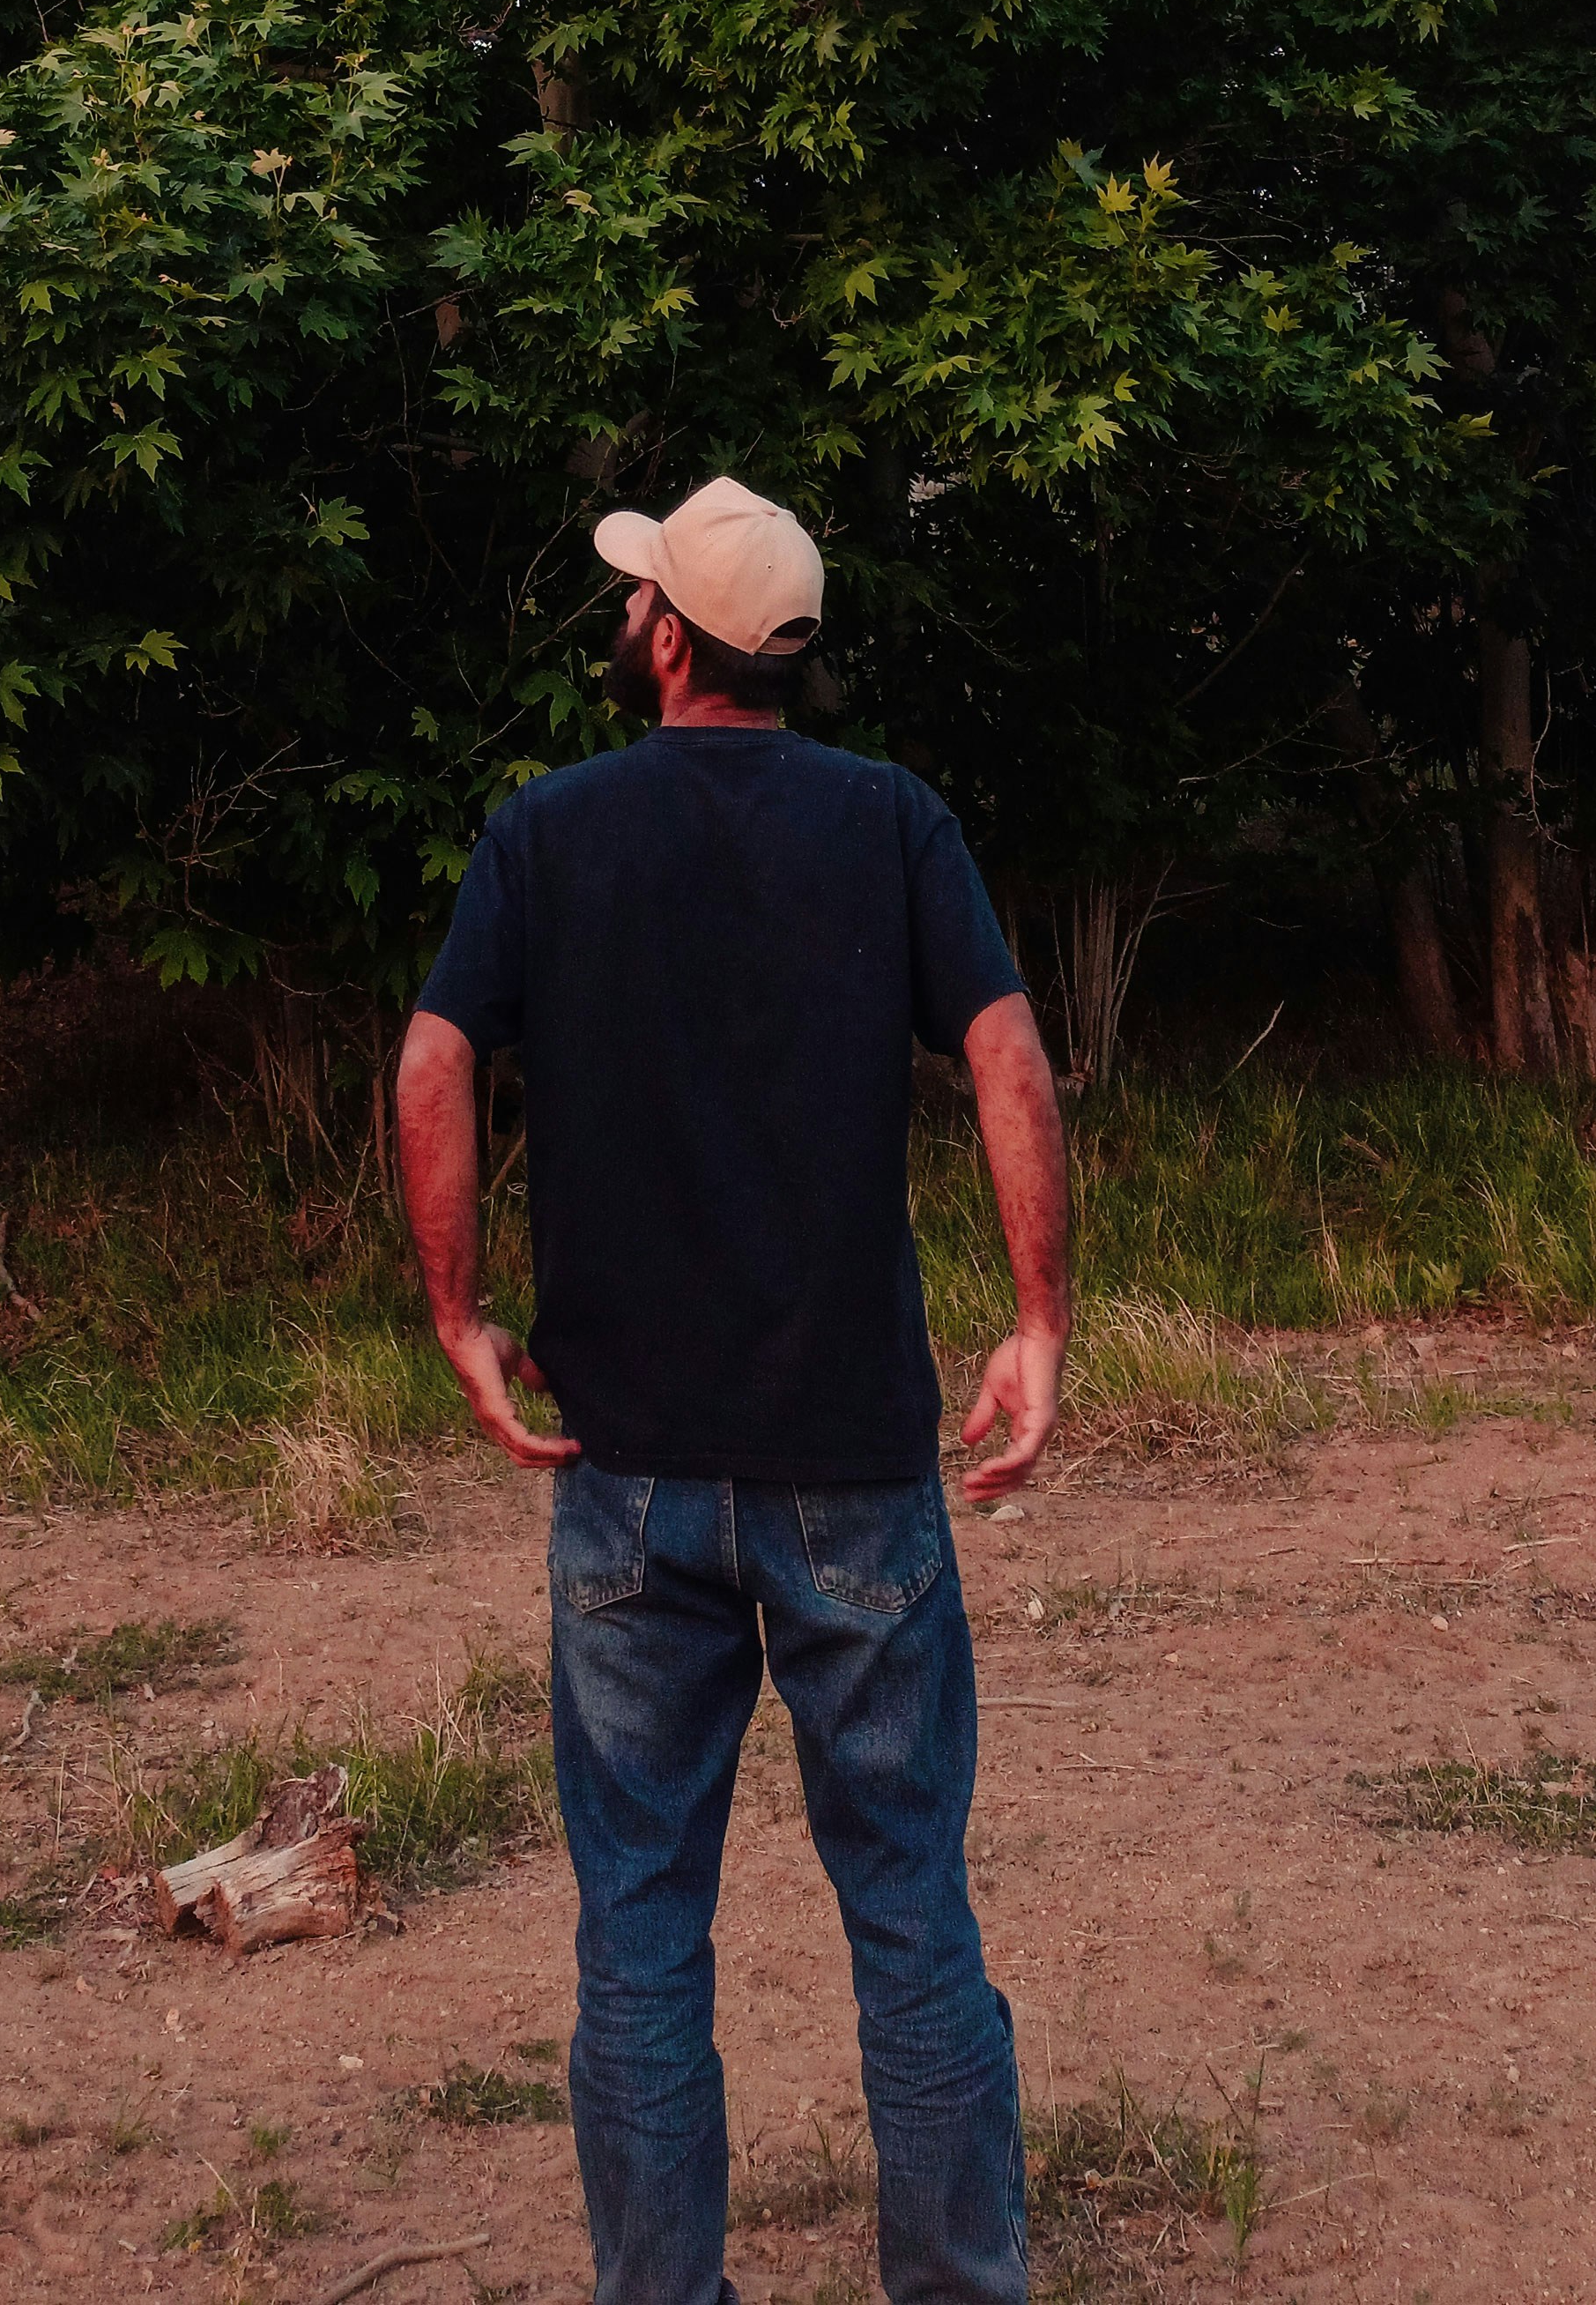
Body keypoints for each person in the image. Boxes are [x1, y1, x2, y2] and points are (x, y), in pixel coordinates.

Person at [397, 472, 1073, 2305]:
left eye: (639, 601)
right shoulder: (896, 825)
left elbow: (436, 1054)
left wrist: (463, 1314)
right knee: (912, 1917)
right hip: (855, 1470)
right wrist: (1038, 1318)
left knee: (638, 1938)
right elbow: (1007, 1051)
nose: (626, 618)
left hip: (624, 1478)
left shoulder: (550, 832)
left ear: (673, 639)